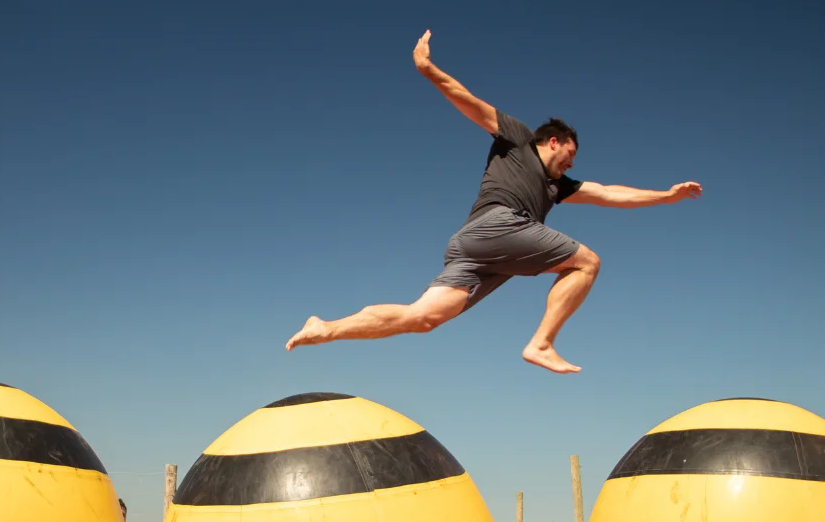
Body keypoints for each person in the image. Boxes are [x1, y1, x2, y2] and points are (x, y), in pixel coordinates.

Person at [285, 30, 702, 373]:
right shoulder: (518, 137)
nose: (571, 163)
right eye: (570, 153)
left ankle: (327, 328)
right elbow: (470, 103)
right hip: (498, 226)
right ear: (553, 141)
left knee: (423, 317)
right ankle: (541, 343)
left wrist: (665, 197)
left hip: (476, 249)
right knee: (587, 261)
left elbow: (609, 192)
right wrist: (429, 70)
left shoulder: (558, 186)